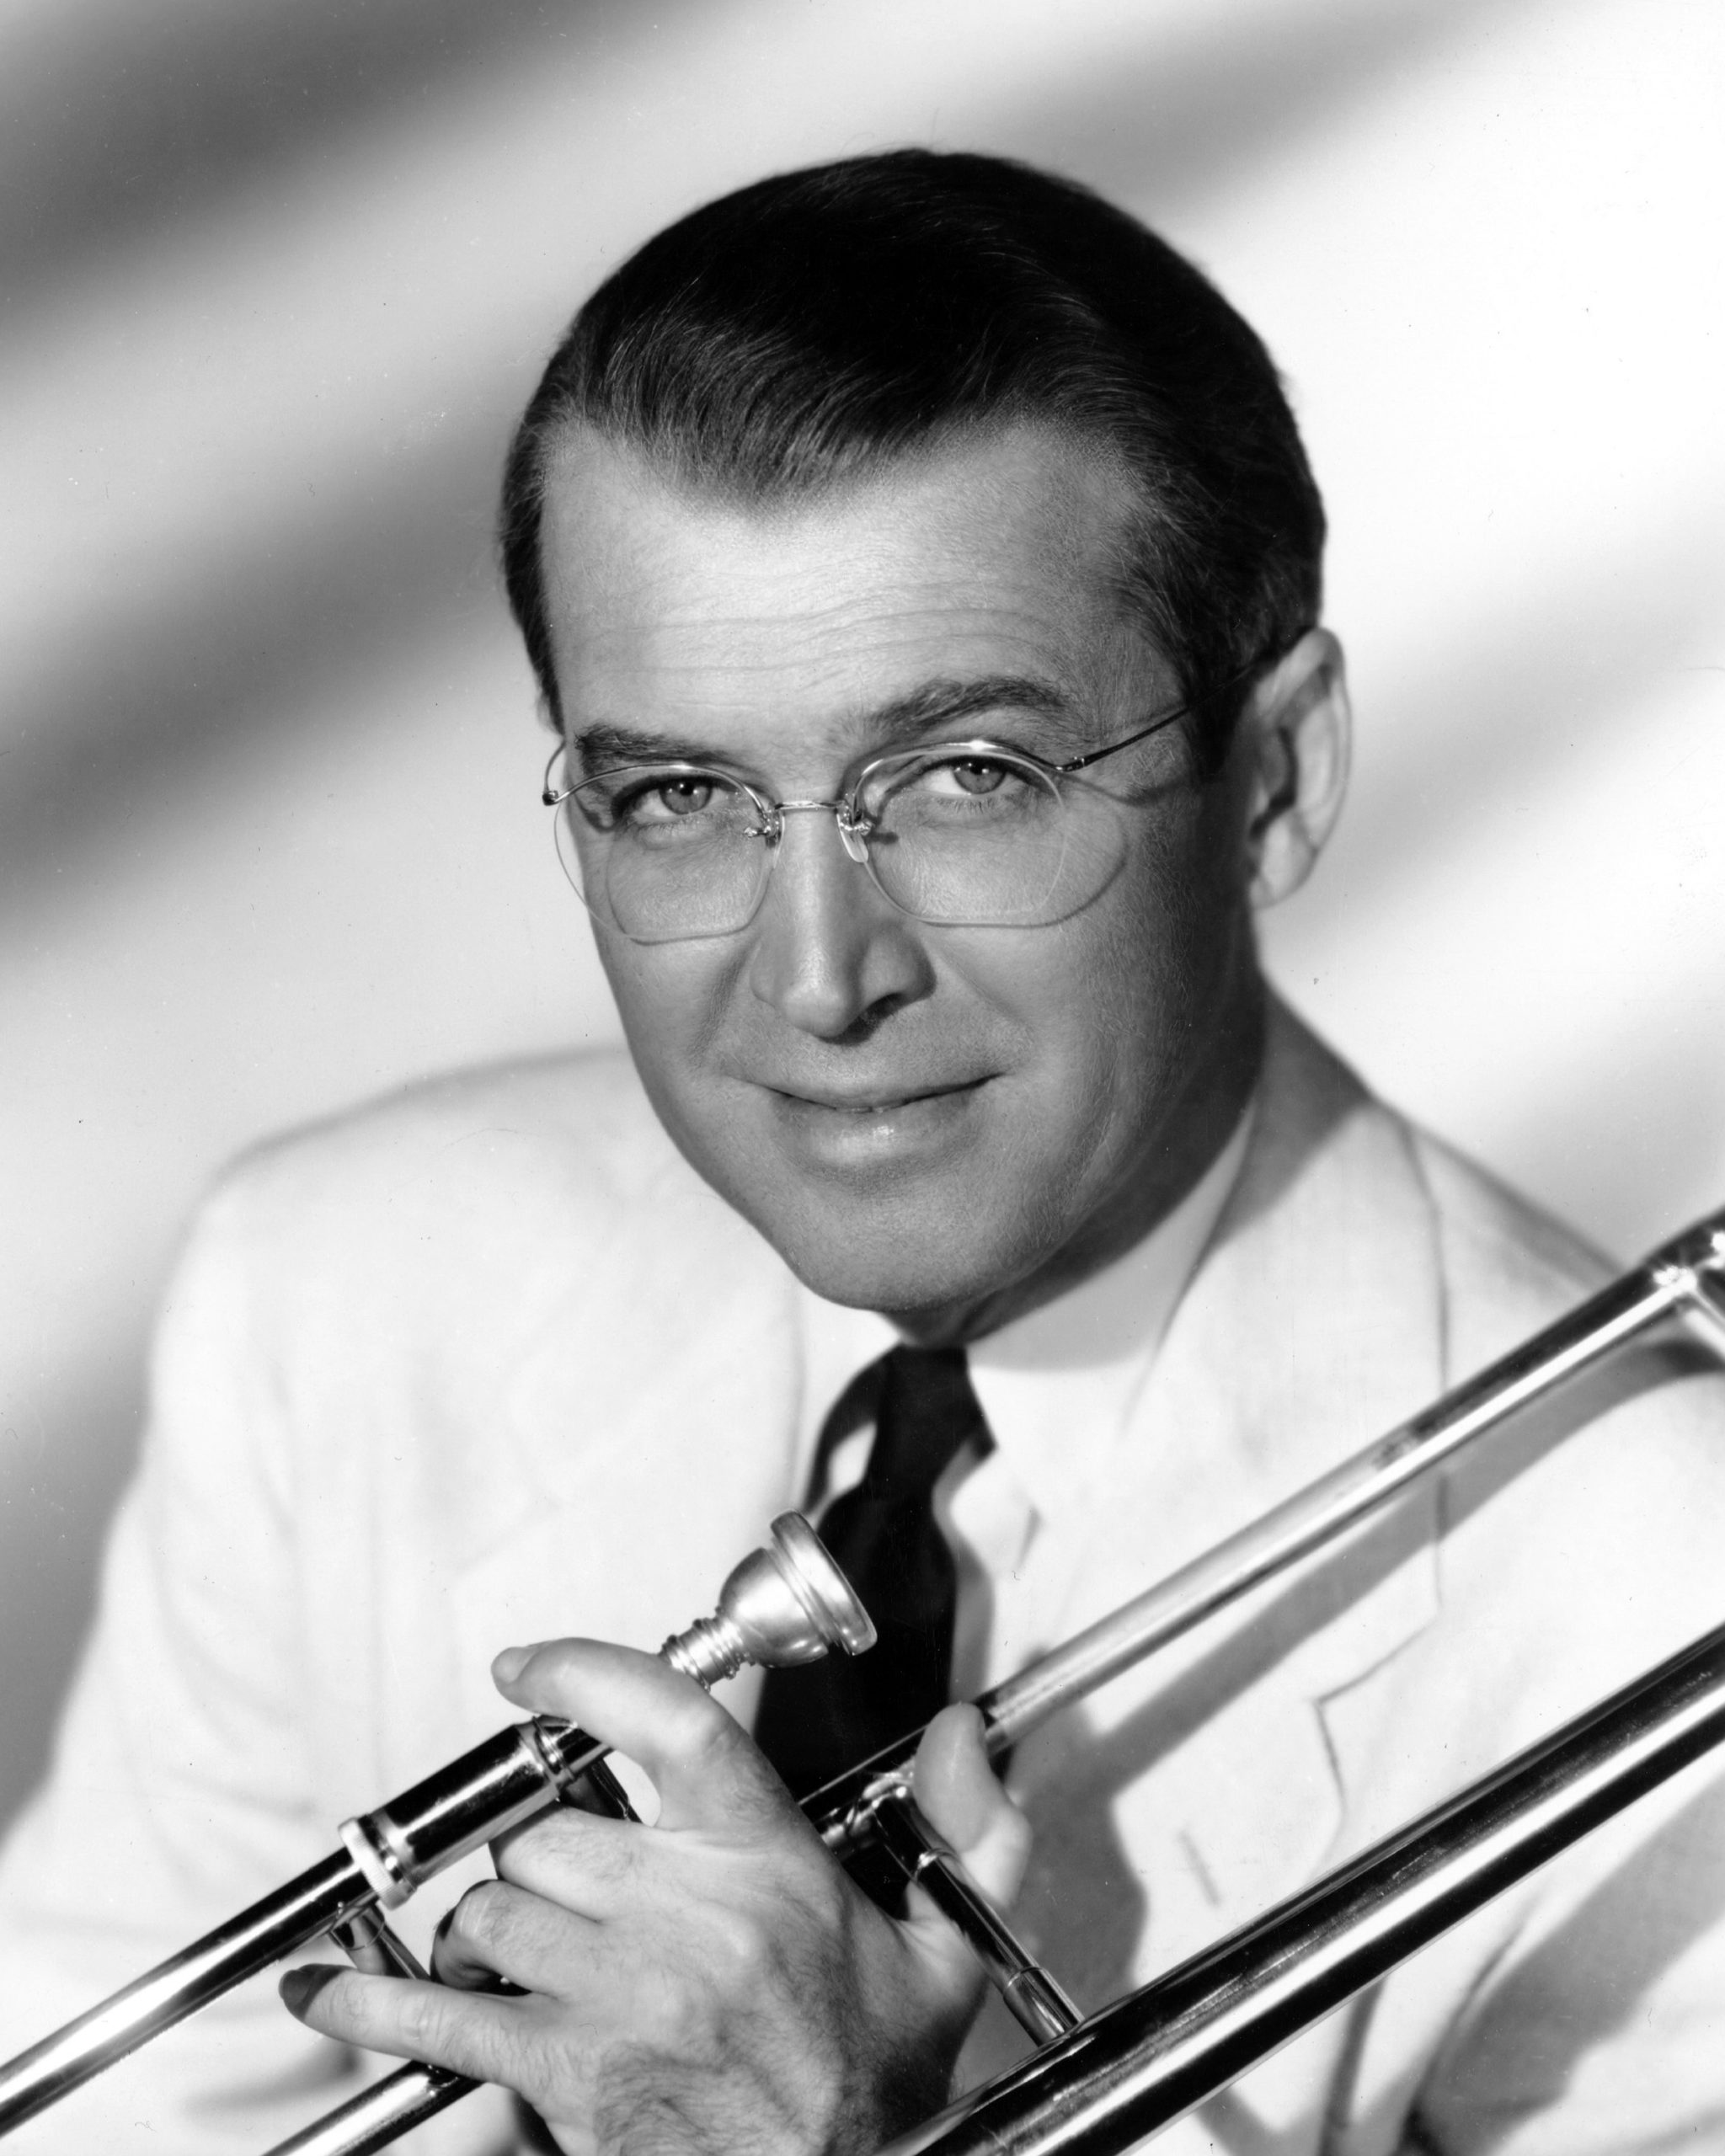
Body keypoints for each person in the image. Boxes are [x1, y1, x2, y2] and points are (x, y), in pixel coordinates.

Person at [3, 149, 1723, 2156]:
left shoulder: (1651, 1596)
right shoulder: (335, 1284)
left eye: (969, 775)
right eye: (678, 794)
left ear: (1270, 783)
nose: (818, 978)